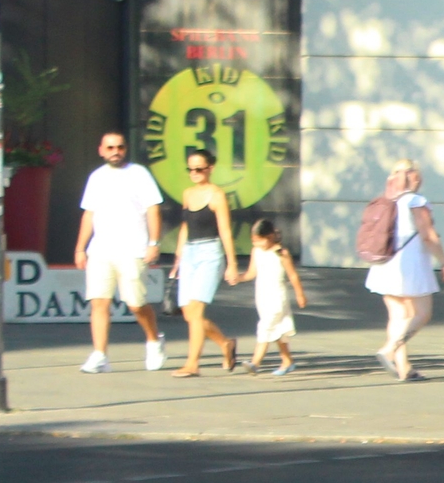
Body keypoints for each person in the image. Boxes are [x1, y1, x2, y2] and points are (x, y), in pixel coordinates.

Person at [74, 130, 166, 372]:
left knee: (136, 304)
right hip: (101, 250)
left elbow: (153, 210)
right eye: (111, 148)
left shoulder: (139, 174)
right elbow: (89, 213)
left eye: (120, 147)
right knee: (99, 302)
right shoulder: (96, 177)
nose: (116, 152)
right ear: (102, 150)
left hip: (133, 249)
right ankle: (100, 355)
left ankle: (154, 340)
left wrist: (154, 243)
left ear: (126, 149)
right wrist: (81, 247)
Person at [364, 162, 444, 380]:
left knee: (397, 315)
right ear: (415, 177)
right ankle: (389, 349)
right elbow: (428, 235)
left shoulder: (386, 201)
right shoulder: (417, 201)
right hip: (410, 264)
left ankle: (403, 368)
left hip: (385, 260)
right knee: (421, 313)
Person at [169, 147, 241, 375]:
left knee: (197, 311)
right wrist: (177, 260)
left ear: (210, 168)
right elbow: (184, 227)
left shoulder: (217, 195)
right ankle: (225, 343)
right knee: (189, 314)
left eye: (199, 169)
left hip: (210, 252)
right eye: (190, 169)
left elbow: (225, 231)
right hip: (189, 253)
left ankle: (193, 364)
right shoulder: (188, 194)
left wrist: (232, 264)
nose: (194, 173)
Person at [246, 219, 305, 375]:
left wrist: (300, 294)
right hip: (262, 296)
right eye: (254, 241)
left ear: (270, 236)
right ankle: (287, 360)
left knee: (265, 326)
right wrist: (238, 278)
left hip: (277, 296)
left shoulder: (281, 253)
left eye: (260, 241)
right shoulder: (256, 252)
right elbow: (252, 273)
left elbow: (293, 276)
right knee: (278, 329)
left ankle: (255, 363)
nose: (257, 244)